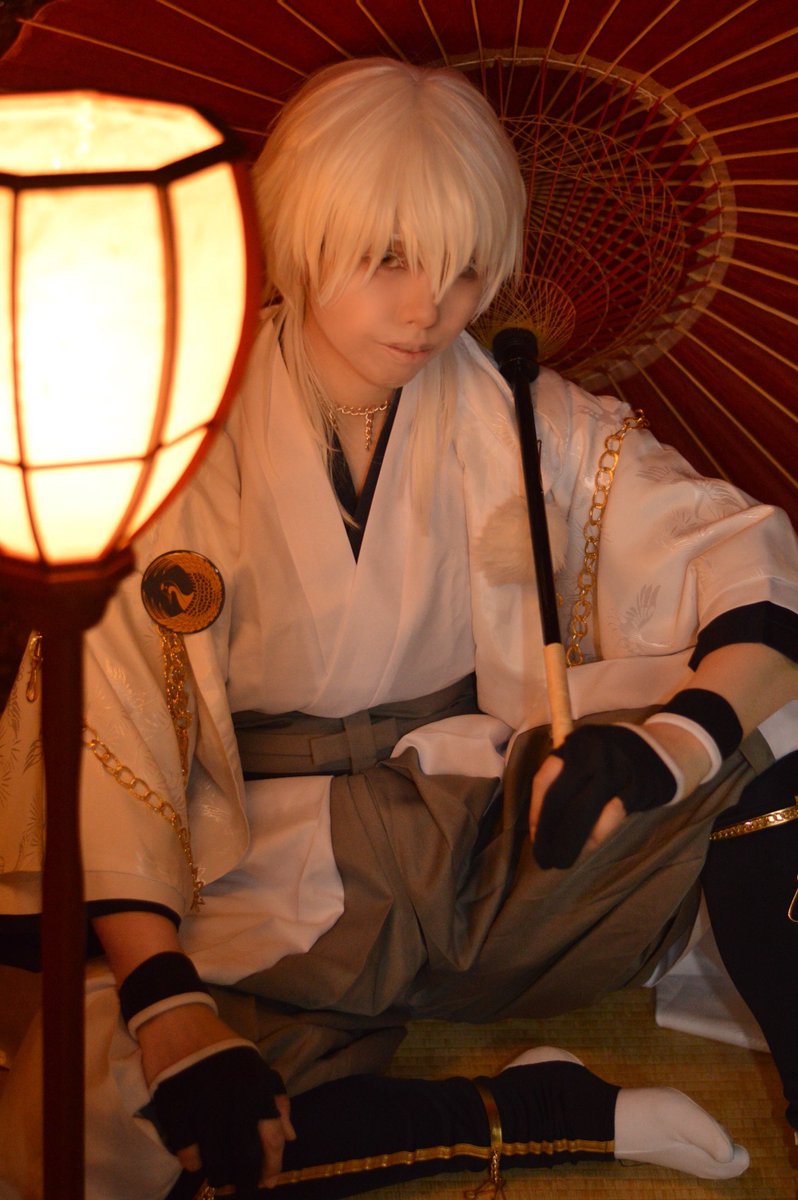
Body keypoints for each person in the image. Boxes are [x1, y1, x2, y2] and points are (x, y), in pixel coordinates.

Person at [0, 55, 796, 1200]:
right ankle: (542, 1111)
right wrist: (167, 1000)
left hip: (490, 844)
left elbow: (737, 553)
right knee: (86, 1134)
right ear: (302, 234)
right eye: (388, 259)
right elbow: (110, 719)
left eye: (464, 267)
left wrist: (675, 743)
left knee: (773, 706)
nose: (431, 307)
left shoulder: (522, 412)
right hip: (262, 871)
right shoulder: (179, 428)